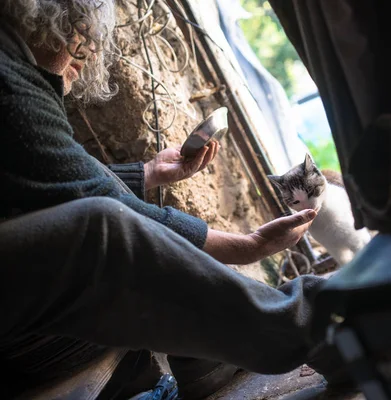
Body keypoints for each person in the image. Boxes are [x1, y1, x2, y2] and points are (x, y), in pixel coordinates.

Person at [0, 1, 341, 398]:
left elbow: (46, 179)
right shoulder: (8, 83)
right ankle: (317, 326)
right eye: (82, 31)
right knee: (100, 234)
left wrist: (148, 174)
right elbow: (88, 195)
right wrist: (248, 246)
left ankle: (184, 368)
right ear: (46, 15)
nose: (90, 49)